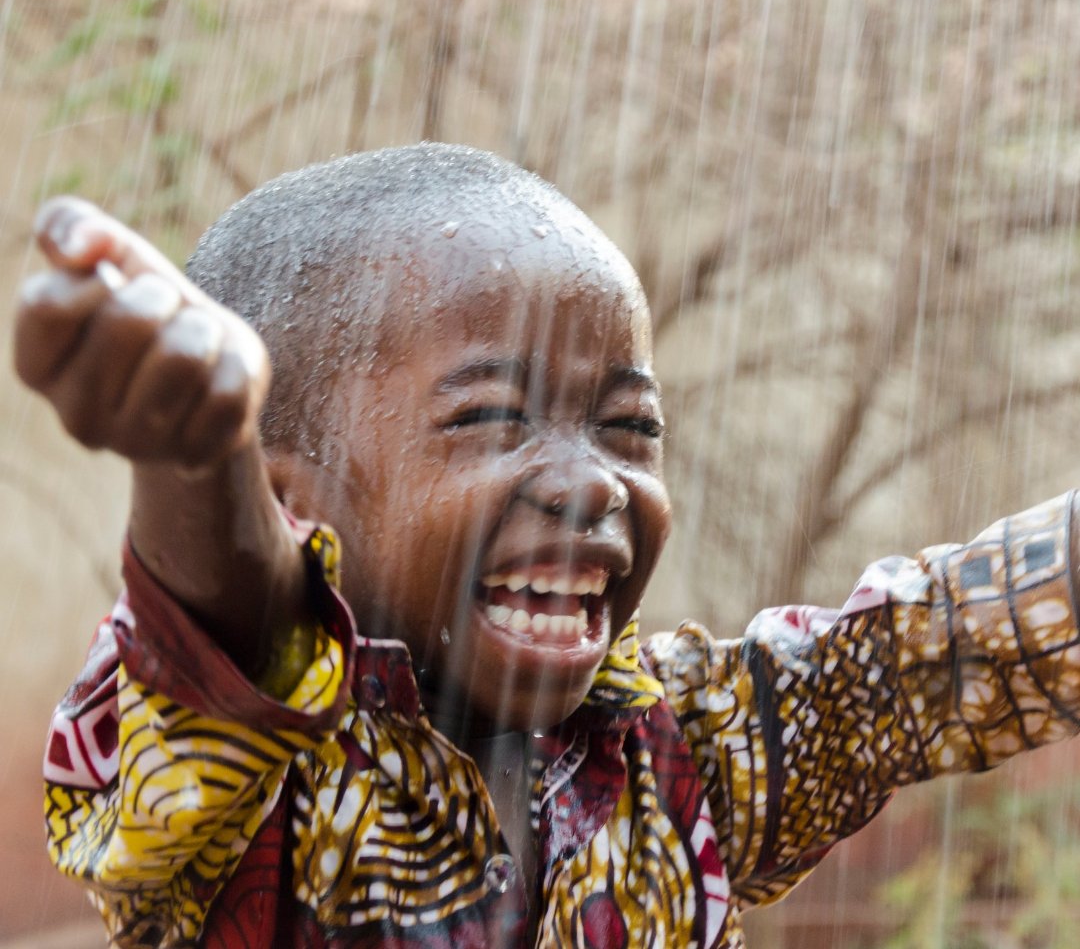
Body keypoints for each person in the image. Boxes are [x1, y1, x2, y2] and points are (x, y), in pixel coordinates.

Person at [16, 143, 1080, 949]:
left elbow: (925, 655)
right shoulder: (247, 785)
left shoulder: (675, 762)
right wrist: (201, 460)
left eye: (630, 428)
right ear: (294, 502)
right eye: (491, 418)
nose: (591, 481)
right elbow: (232, 633)